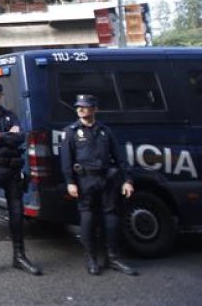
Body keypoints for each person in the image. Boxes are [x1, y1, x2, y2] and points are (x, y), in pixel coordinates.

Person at [60, 94, 138, 276]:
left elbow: (120, 157)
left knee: (111, 218)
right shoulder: (71, 131)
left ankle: (113, 258)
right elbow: (66, 160)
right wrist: (70, 182)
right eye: (78, 106)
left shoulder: (105, 131)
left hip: (106, 179)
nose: (80, 109)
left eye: (85, 106)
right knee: (87, 219)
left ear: (95, 109)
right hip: (84, 180)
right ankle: (91, 258)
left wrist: (127, 180)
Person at [0, 80, 41, 278]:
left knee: (17, 213)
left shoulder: (11, 115)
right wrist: (5, 135)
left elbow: (20, 137)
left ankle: (19, 256)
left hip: (12, 171)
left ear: (0, 95)